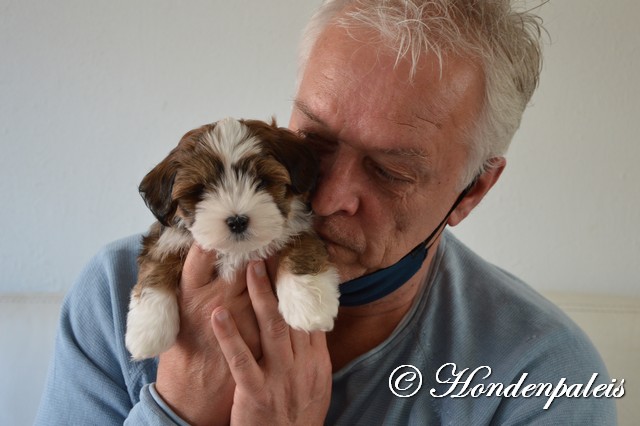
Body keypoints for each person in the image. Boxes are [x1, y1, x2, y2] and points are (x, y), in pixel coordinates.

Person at [36, 1, 618, 425]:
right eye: (313, 144)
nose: (328, 195)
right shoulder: (117, 293)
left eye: (391, 171)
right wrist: (178, 411)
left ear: (473, 191)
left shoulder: (541, 378)